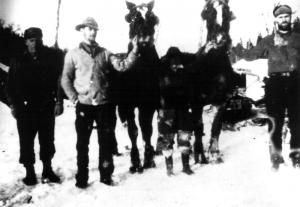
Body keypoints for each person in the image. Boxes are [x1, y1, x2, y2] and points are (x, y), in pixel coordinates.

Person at [61, 17, 138, 188]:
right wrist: (74, 98)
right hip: (84, 106)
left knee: (105, 142)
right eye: (89, 29)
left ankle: (106, 175)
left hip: (105, 106)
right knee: (82, 144)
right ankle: (82, 178)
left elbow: (122, 66)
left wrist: (134, 50)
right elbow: (65, 79)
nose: (92, 32)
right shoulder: (72, 54)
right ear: (82, 30)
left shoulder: (105, 53)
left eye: (95, 29)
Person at [233, 4, 300, 169]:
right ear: (276, 19)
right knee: (274, 120)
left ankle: (296, 155)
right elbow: (251, 55)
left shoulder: (298, 38)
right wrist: (235, 48)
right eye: (280, 17)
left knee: (297, 121)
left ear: (290, 18)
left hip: (295, 82)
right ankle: (276, 156)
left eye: (286, 16)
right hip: (275, 83)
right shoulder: (268, 41)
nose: (284, 19)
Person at [6, 27, 64, 185]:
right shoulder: (18, 60)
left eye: (38, 39)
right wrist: (13, 105)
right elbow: (9, 85)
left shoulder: (50, 58)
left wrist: (59, 101)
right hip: (25, 108)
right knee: (26, 141)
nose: (35, 43)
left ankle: (47, 170)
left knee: (47, 140)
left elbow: (59, 81)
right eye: (32, 40)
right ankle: (30, 172)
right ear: (26, 42)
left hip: (46, 106)